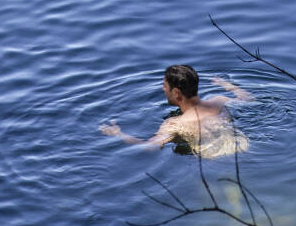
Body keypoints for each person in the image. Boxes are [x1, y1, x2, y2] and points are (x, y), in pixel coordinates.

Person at [100, 65, 252, 157]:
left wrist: (118, 134)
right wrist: (228, 85)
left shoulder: (174, 124)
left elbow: (149, 147)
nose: (163, 89)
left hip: (213, 159)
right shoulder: (219, 100)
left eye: (165, 86)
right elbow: (248, 100)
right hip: (243, 147)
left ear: (177, 93)